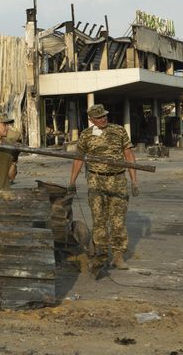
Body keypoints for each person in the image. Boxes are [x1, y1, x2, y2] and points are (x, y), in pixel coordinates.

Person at [68, 103, 139, 271]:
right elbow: (78, 158)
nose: (103, 119)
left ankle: (118, 256)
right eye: (98, 117)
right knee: (99, 221)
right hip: (96, 180)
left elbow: (128, 154)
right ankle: (100, 256)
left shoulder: (119, 130)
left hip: (118, 180)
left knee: (118, 221)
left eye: (104, 115)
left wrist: (134, 180)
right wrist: (72, 181)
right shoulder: (86, 135)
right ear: (91, 119)